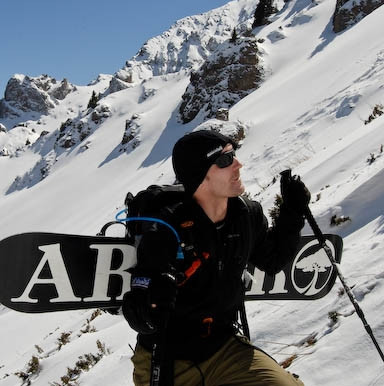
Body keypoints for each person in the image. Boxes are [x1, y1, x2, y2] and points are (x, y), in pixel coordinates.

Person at [122, 130, 310, 386]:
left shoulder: (246, 215)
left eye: (234, 155)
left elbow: (272, 259)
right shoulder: (168, 226)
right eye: (224, 160)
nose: (238, 164)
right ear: (200, 175)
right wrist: (146, 303)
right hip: (167, 356)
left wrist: (292, 213)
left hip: (224, 348)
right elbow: (144, 295)